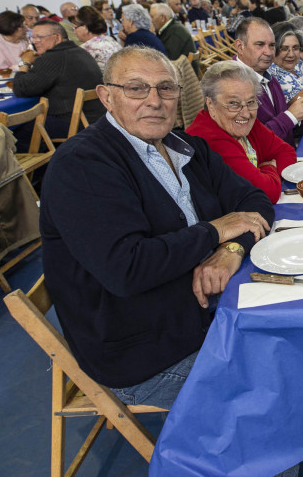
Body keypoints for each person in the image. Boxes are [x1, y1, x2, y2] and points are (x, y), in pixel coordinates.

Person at [40, 46, 275, 410]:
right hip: (145, 352)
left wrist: (230, 251)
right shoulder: (82, 165)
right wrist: (215, 232)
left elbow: (256, 203)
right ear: (106, 96)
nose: (154, 101)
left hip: (211, 312)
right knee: (268, 391)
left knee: (298, 341)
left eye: (166, 88)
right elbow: (127, 270)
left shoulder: (187, 146)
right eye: (136, 88)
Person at [186, 61, 296, 203]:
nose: (245, 113)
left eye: (251, 102)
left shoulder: (245, 123)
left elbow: (287, 152)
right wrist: (269, 167)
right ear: (210, 104)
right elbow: (267, 193)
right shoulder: (209, 139)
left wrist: (263, 176)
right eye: (233, 103)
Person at [13, 20, 106, 139]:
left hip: (73, 122)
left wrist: (24, 62)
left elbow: (21, 88)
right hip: (97, 118)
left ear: (57, 37)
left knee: (14, 133)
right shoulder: (79, 51)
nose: (35, 41)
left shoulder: (53, 57)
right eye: (33, 37)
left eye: (39, 37)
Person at [233, 17, 303, 147]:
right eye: (260, 45)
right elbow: (250, 143)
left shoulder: (268, 76)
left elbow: (284, 129)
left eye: (272, 45)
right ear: (240, 46)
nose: (268, 52)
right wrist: (291, 116)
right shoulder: (232, 84)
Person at [74, 6, 122, 72]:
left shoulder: (85, 50)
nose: (74, 32)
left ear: (85, 27)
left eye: (75, 28)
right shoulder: (110, 40)